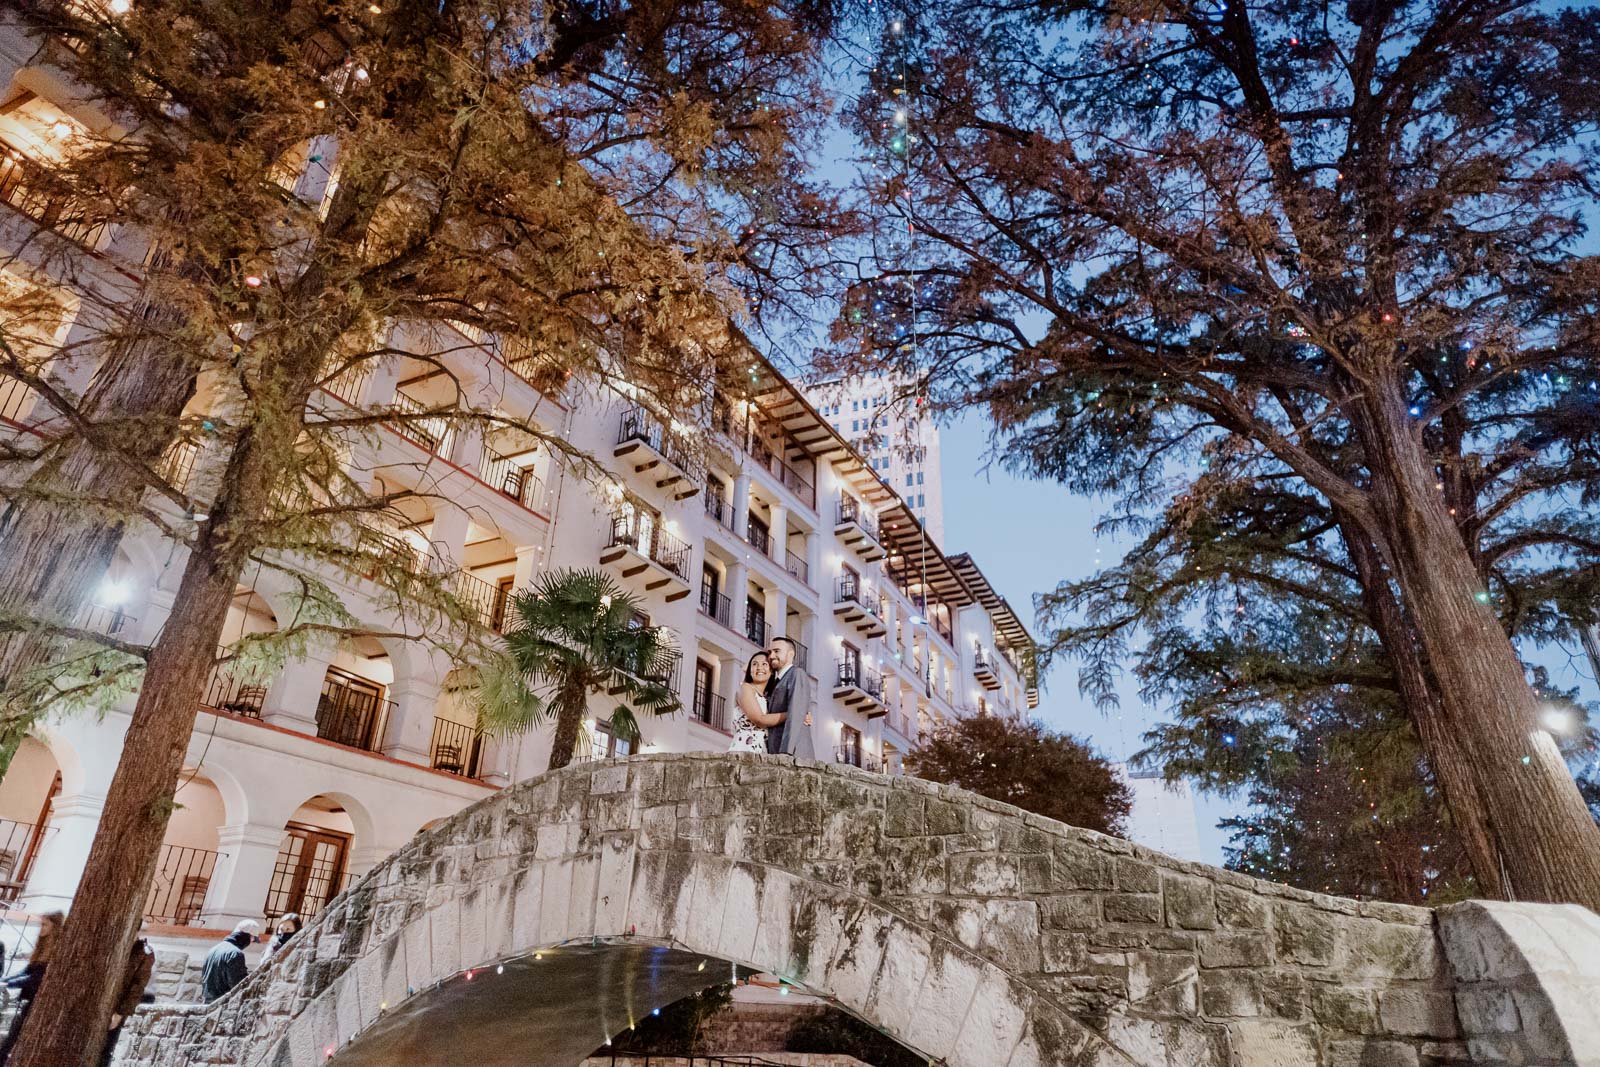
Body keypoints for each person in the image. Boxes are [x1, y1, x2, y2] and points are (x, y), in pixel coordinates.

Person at [0, 910, 64, 1064]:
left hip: (40, 1002)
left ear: (54, 927)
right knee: (12, 1037)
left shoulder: (56, 950)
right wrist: (6, 980)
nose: (41, 928)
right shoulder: (42, 948)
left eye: (44, 925)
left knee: (15, 1037)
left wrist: (9, 983)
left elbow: (38, 978)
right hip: (29, 999)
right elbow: (28, 970)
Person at [100, 937, 154, 1067]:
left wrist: (120, 1013)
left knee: (104, 1048)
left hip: (117, 1007)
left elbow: (137, 987)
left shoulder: (144, 952)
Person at [763, 637, 815, 759]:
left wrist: (785, 753)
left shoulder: (797, 674)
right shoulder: (775, 682)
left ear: (791, 654)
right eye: (770, 652)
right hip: (776, 753)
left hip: (794, 755)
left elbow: (796, 715)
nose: (771, 656)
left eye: (777, 651)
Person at [728, 652, 785, 752]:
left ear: (771, 671)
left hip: (763, 751)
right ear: (750, 670)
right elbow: (759, 719)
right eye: (754, 664)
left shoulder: (769, 697)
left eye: (764, 664)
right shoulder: (745, 688)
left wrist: (804, 715)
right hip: (744, 750)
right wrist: (791, 714)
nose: (759, 668)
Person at [200, 919, 259, 1002]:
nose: (251, 943)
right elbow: (238, 985)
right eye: (252, 939)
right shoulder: (235, 954)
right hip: (222, 1006)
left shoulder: (213, 949)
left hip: (207, 1002)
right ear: (248, 936)